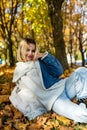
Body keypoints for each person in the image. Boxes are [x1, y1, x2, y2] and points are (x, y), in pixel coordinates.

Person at [9, 37, 87, 123]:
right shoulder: (19, 72)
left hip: (63, 86)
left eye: (33, 51)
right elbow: (25, 96)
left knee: (81, 71)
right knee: (81, 114)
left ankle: (81, 100)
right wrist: (36, 113)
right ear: (21, 51)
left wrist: (44, 56)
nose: (30, 53)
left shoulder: (40, 62)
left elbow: (59, 71)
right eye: (27, 50)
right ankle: (81, 106)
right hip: (54, 100)